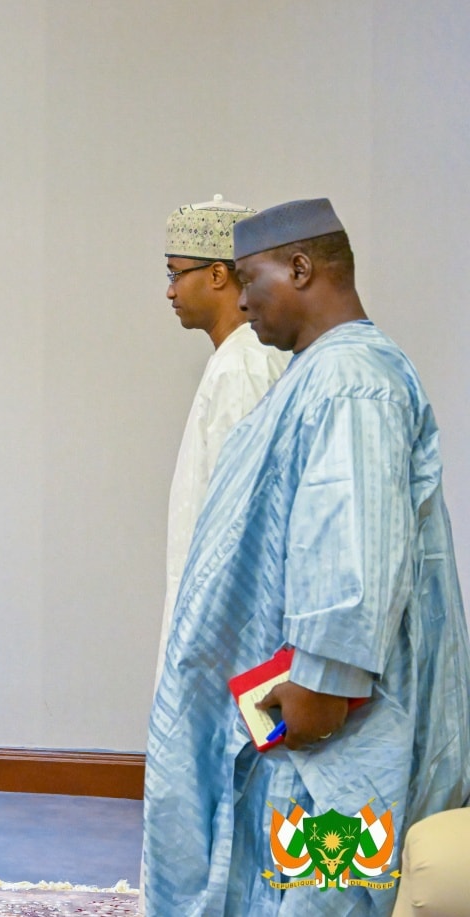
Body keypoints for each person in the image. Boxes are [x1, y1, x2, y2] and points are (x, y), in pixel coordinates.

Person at [143, 199, 470, 915]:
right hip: (307, 716)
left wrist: (321, 685)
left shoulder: (353, 382)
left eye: (249, 281)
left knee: (326, 893)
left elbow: (352, 545)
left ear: (299, 268)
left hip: (338, 728)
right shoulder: (321, 372)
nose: (243, 302)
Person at [157, 195, 288, 680]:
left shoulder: (244, 366)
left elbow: (243, 521)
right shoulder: (236, 359)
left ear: (217, 275)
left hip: (230, 635)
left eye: (175, 274)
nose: (170, 291)